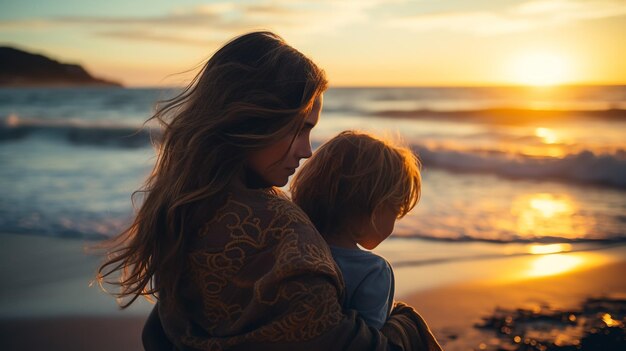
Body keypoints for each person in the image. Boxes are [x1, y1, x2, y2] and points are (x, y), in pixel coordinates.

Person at [96, 31, 442, 351]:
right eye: (300, 128)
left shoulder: (183, 210)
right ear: (256, 119)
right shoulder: (281, 228)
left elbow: (159, 334)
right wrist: (406, 326)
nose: (307, 151)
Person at [290, 130, 422, 330]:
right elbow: (369, 342)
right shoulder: (373, 272)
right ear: (376, 210)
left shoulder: (290, 244)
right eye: (395, 212)